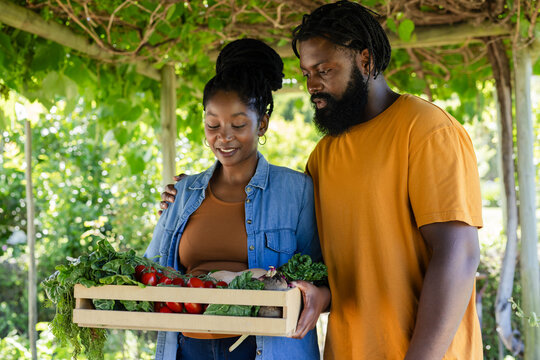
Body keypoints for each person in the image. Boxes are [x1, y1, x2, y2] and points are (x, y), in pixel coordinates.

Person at [162, 1, 483, 359]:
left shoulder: (426, 130)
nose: (313, 85)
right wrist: (317, 293)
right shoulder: (324, 156)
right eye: (306, 74)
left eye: (325, 70)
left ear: (366, 60)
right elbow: (332, 269)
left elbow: (459, 254)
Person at [146, 38, 328, 360]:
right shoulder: (184, 193)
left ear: (263, 124)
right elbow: (151, 270)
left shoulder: (296, 191)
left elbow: (322, 275)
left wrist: (318, 294)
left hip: (266, 349)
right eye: (212, 124)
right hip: (189, 348)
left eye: (239, 124)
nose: (224, 137)